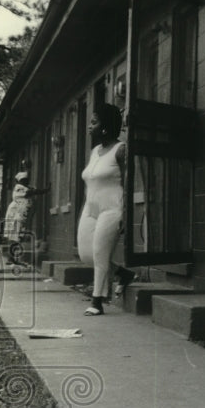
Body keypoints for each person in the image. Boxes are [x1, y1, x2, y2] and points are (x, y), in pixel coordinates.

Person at [77, 103, 136, 316]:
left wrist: (127, 215)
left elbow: (129, 184)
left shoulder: (121, 150)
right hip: (90, 208)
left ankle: (97, 300)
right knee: (86, 255)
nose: (89, 127)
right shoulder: (95, 151)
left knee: (100, 253)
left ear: (106, 126)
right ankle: (122, 273)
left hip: (112, 208)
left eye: (94, 122)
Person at [3, 168, 49, 263]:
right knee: (15, 236)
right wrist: (45, 190)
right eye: (24, 180)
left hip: (20, 215)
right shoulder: (19, 187)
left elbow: (34, 191)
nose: (26, 181)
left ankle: (12, 257)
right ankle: (11, 257)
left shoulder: (26, 187)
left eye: (27, 180)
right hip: (16, 214)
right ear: (20, 180)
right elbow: (30, 192)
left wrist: (44, 190)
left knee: (18, 236)